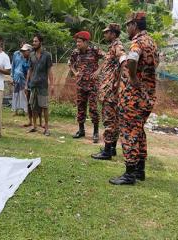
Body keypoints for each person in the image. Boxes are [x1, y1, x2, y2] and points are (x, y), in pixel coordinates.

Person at [109, 12, 159, 185]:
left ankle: (129, 174)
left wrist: (133, 77)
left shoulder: (137, 42)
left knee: (129, 131)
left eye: (128, 24)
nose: (126, 28)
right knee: (138, 131)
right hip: (147, 96)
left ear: (135, 25)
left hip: (133, 98)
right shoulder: (152, 42)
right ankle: (140, 170)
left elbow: (132, 60)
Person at [91, 23, 125, 160]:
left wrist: (118, 81)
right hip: (108, 89)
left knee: (109, 120)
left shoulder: (117, 46)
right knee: (114, 120)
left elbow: (123, 60)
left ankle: (106, 151)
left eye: (106, 32)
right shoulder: (112, 47)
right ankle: (111, 149)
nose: (104, 35)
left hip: (110, 91)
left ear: (113, 33)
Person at [68, 31, 104, 143]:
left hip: (92, 85)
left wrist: (99, 70)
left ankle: (95, 132)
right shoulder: (75, 52)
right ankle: (81, 130)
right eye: (77, 42)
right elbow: (70, 63)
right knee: (80, 107)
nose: (77, 44)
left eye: (79, 42)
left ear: (85, 42)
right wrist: (75, 72)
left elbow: (107, 58)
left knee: (93, 108)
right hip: (80, 84)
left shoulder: (94, 50)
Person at [26, 34, 54, 136]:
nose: (34, 43)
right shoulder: (31, 55)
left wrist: (52, 84)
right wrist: (26, 83)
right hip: (33, 85)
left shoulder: (47, 55)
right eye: (33, 41)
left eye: (36, 41)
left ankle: (46, 128)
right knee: (33, 106)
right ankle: (34, 126)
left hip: (43, 85)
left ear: (40, 42)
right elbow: (30, 70)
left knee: (44, 106)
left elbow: (49, 70)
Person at [11, 44, 32, 115]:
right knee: (16, 93)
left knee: (24, 94)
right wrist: (12, 76)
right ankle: (15, 110)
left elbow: (28, 69)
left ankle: (25, 110)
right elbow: (13, 65)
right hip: (16, 76)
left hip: (24, 77)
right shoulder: (15, 54)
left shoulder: (28, 57)